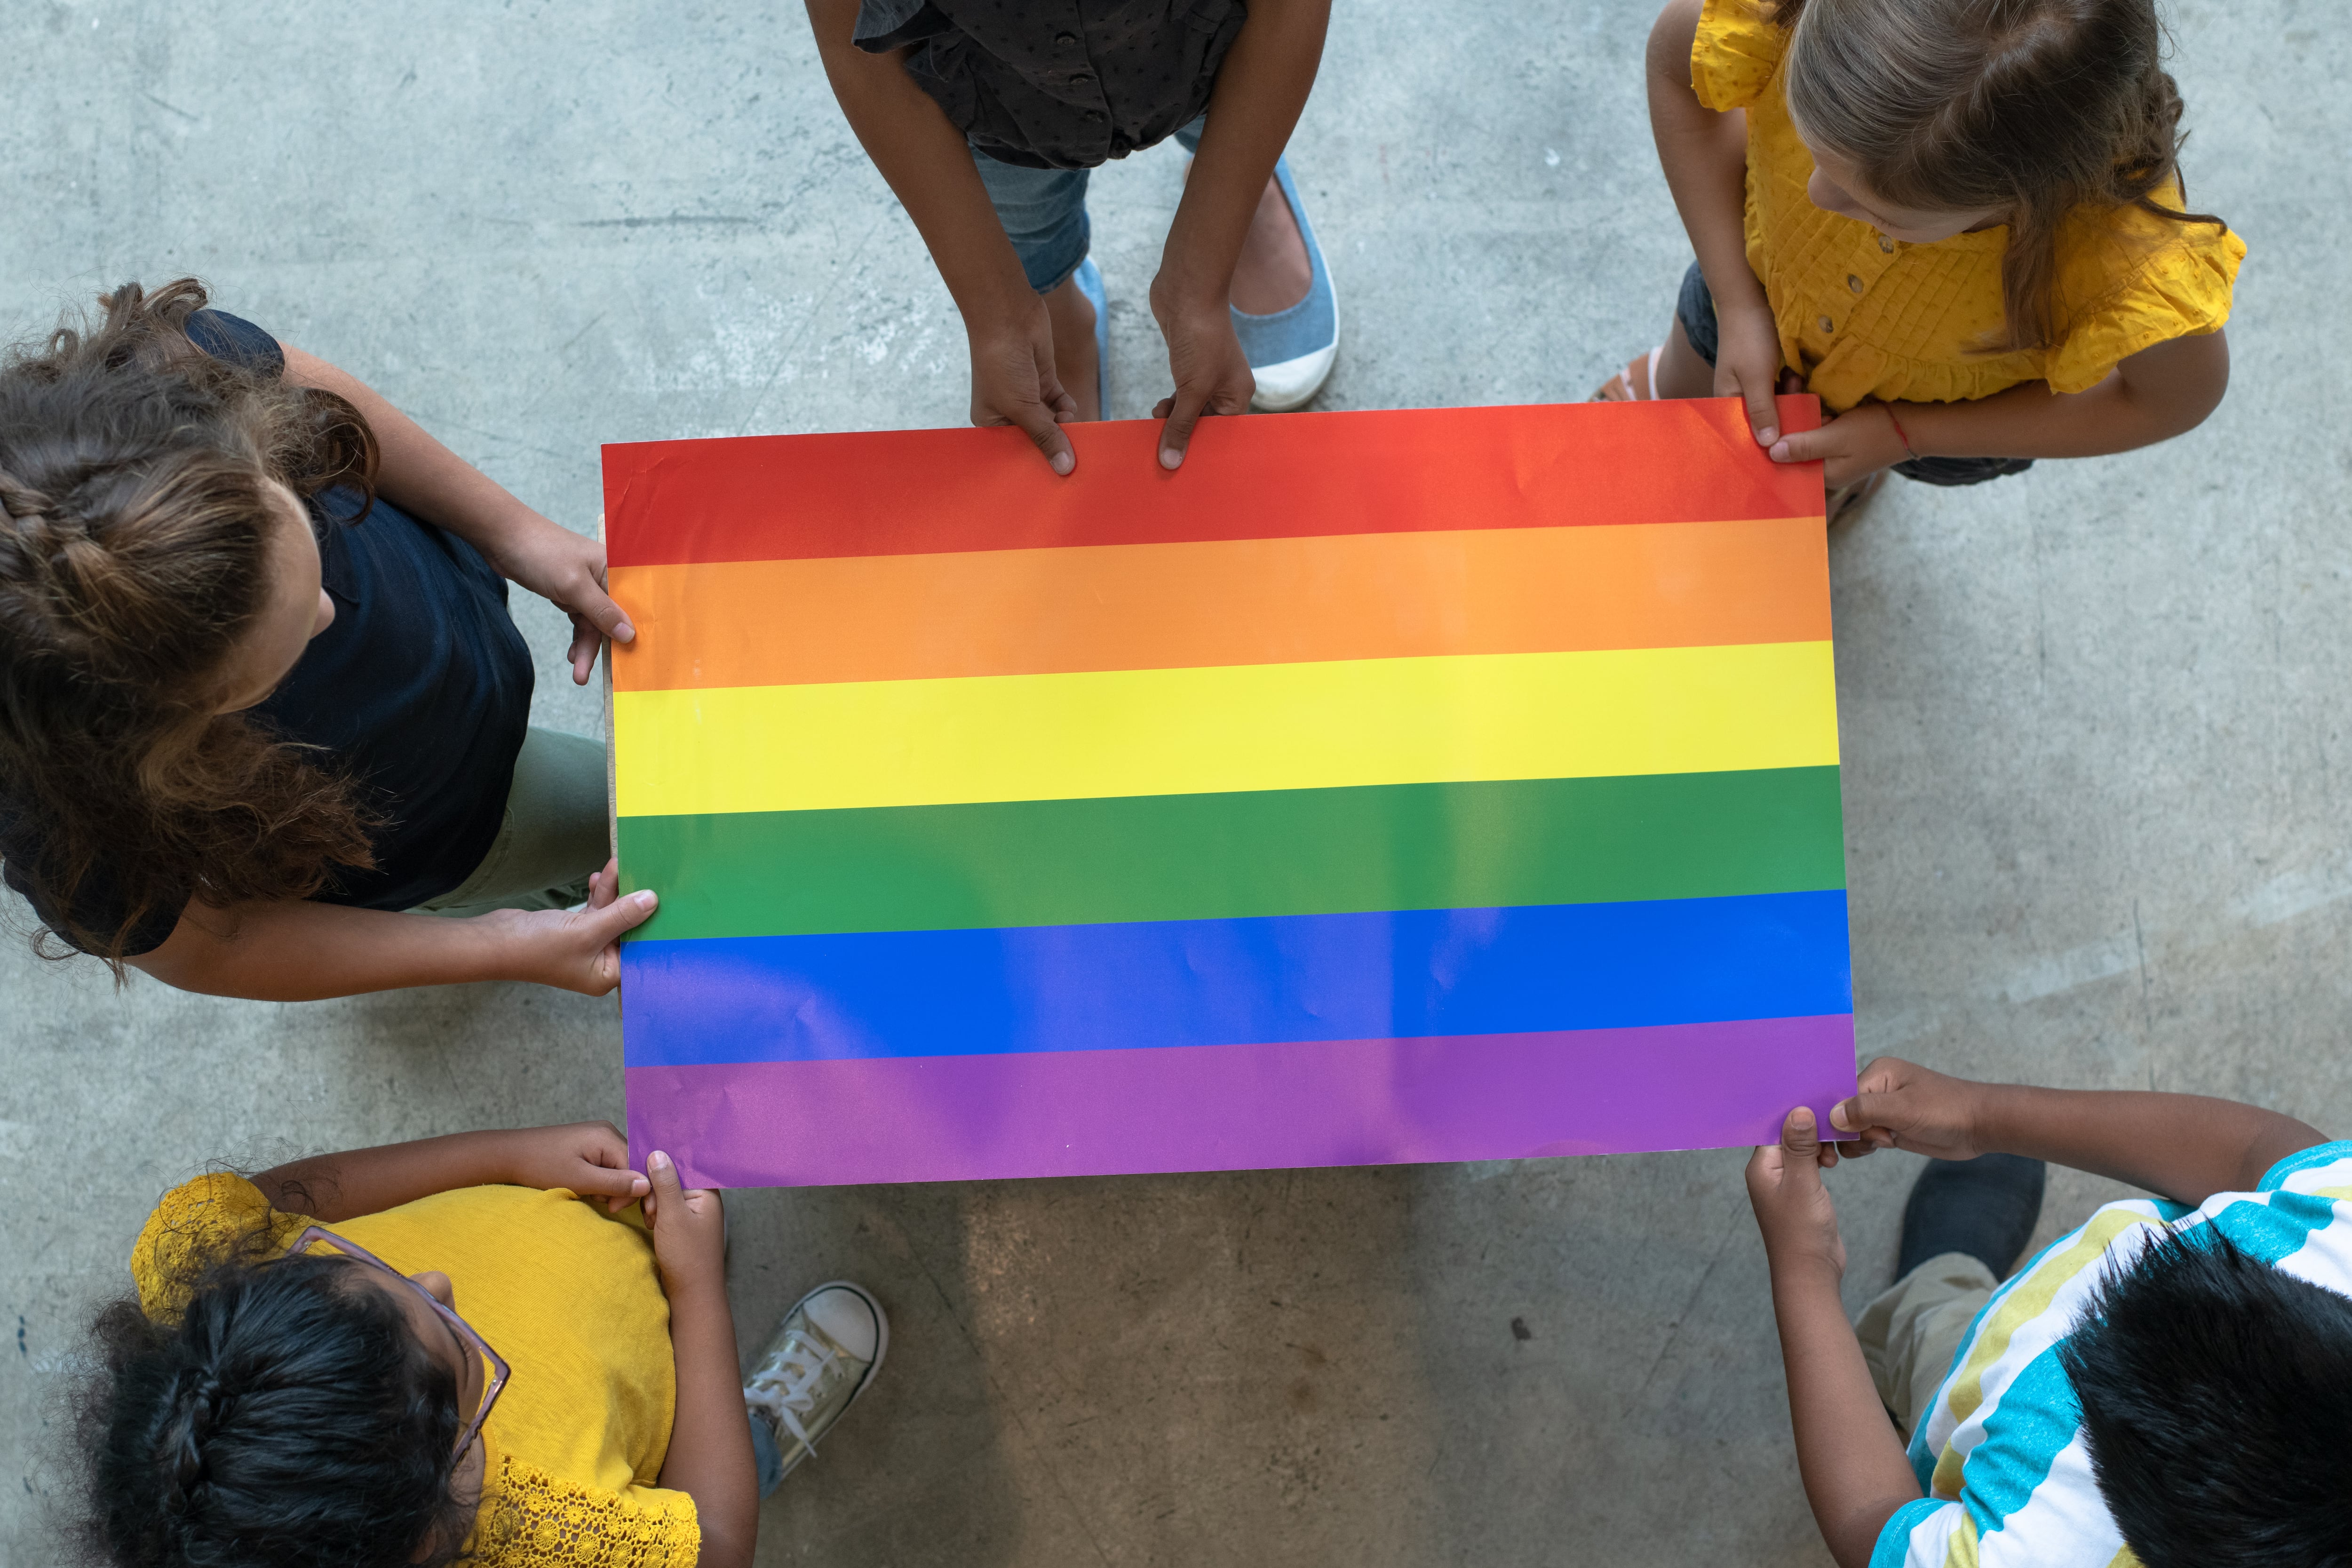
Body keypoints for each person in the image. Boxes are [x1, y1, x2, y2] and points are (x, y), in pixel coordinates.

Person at [0, 279, 657, 999]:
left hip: (459, 686)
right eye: (272, 657)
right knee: (609, 831)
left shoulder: (156, 383)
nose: (324, 610)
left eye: (295, 519)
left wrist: (513, 530)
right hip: (442, 828)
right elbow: (215, 950)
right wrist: (498, 945)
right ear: (159, 732)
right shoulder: (66, 822)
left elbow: (298, 384)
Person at [72, 1121, 889, 1568]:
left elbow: (282, 1198)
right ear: (438, 1515)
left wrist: (506, 1153)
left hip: (600, 1254)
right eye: (465, 1359)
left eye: (371, 1267)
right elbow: (719, 1543)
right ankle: (756, 1428)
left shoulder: (194, 1260)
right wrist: (697, 1291)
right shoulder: (545, 1538)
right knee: (718, 1458)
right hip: (661, 1392)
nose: (437, 1282)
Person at [1603, 0, 2244, 518]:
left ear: (2027, 199)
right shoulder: (1792, 17)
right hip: (1752, 289)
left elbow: (2174, 400)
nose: (1815, 197)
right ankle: (1668, 390)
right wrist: (1738, 302)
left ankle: (1831, 488)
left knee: (1803, 481)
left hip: (1941, 416)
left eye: (1880, 211)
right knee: (1696, 367)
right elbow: (1673, 60)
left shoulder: (2124, 257)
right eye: (1810, 144)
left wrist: (1907, 435)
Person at [1745, 1054, 2352, 1568]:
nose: (2087, 1324)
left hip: (1969, 1410)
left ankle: (1927, 1290)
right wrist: (1980, 1115)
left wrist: (1803, 1267)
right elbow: (2258, 1156)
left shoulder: (2028, 1548)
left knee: (1930, 1332)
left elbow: (1872, 1522)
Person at [805, 0, 1341, 475]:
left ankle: (1246, 202)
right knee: (1025, 219)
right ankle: (1050, 301)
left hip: (1206, 40)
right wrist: (999, 316)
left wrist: (1199, 283)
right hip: (996, 90)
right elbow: (850, 36)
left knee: (1229, 116)